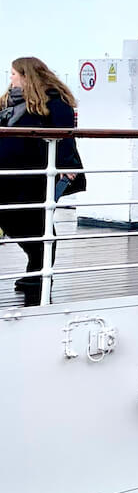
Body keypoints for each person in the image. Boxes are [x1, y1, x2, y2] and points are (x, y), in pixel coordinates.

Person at [0, 58, 81, 307]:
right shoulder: (8, 102)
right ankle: (35, 274)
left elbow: (65, 136)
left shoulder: (55, 102)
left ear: (27, 76)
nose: (10, 78)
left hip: (34, 178)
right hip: (6, 177)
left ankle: (37, 279)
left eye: (14, 73)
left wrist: (67, 167)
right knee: (15, 223)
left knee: (39, 229)